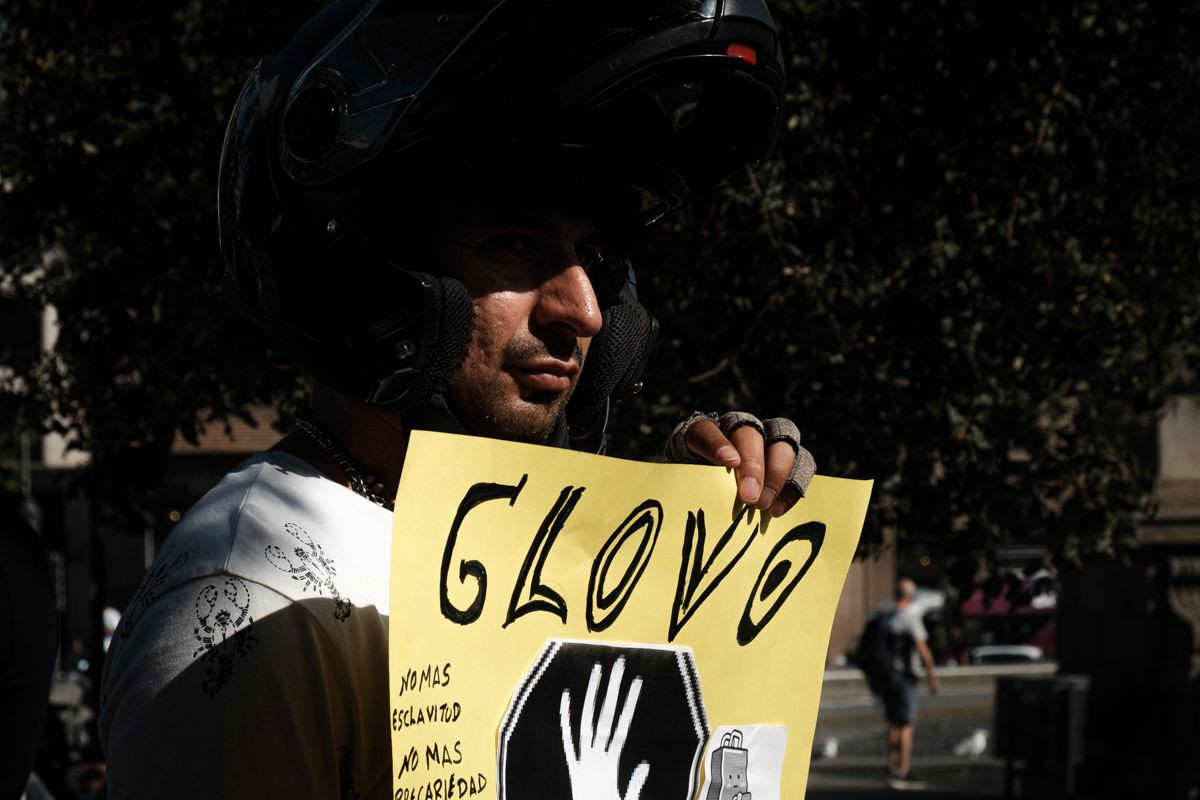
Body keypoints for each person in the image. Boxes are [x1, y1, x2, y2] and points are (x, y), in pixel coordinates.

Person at [99, 1, 816, 798]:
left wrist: (687, 524)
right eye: (513, 243)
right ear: (366, 278)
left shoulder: (515, 544)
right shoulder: (253, 603)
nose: (582, 310)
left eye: (594, 256)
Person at [860, 578, 940, 790]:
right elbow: (922, 649)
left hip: (886, 675)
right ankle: (903, 770)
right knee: (907, 725)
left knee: (894, 723)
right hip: (904, 677)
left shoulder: (885, 615)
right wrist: (933, 675)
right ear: (911, 596)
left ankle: (892, 767)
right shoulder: (910, 617)